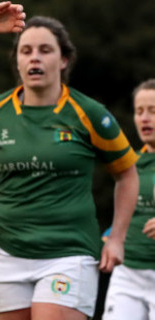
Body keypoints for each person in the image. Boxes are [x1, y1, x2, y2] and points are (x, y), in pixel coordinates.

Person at [0, 16, 140, 320]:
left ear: (64, 60)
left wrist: (118, 238)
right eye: (26, 51)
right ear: (17, 61)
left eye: (45, 50)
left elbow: (127, 174)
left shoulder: (89, 113)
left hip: (70, 253)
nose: (35, 58)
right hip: (7, 251)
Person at [103, 78, 155, 320]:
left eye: (153, 111)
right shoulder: (129, 165)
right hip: (129, 273)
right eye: (139, 111)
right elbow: (128, 211)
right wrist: (112, 235)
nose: (145, 118)